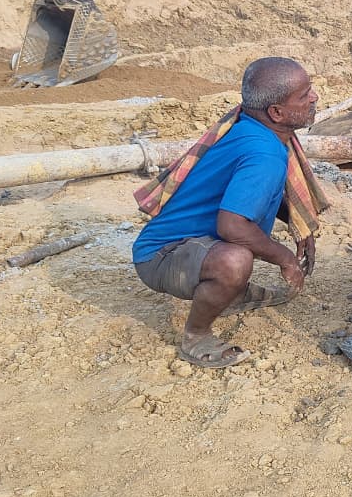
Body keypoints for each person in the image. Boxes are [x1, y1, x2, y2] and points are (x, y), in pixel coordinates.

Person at [132, 56, 325, 368]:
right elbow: (232, 226)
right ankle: (196, 336)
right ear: (276, 113)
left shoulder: (249, 127)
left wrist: (300, 225)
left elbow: (262, 193)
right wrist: (286, 258)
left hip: (190, 244)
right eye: (304, 95)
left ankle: (233, 294)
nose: (314, 97)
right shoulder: (263, 153)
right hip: (161, 256)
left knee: (237, 255)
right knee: (234, 261)